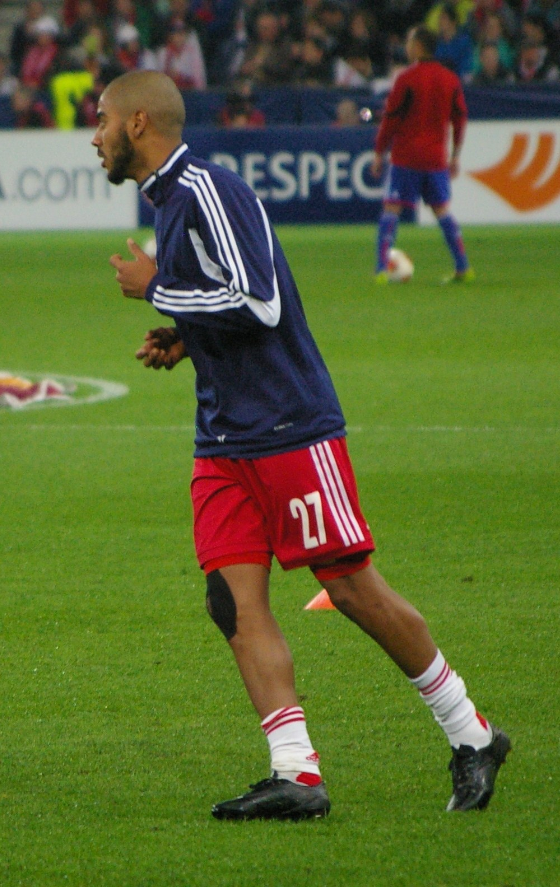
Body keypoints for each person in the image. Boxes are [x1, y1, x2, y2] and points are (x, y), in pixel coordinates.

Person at [92, 69, 510, 820]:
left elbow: (261, 299)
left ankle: (470, 731)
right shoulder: (168, 202)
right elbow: (224, 303)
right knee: (231, 598)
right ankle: (296, 773)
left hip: (288, 425)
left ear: (138, 124)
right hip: (222, 436)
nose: (92, 137)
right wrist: (185, 337)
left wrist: (159, 289)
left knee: (350, 586)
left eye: (100, 121)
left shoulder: (209, 191)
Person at [371, 25, 475, 284]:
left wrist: (378, 152)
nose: (406, 46)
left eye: (408, 41)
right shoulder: (450, 79)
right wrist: (455, 154)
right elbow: (460, 118)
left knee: (391, 210)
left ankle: (382, 270)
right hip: (436, 159)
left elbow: (391, 120)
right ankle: (463, 267)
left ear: (417, 46)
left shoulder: (407, 79)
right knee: (442, 211)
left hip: (407, 156)